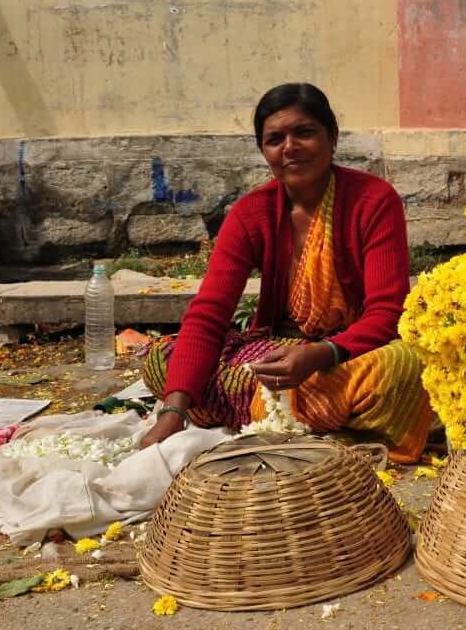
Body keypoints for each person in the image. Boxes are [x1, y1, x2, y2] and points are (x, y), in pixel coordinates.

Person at [138, 83, 433, 463]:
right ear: (264, 151)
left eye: (304, 132)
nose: (290, 147)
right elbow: (209, 313)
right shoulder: (251, 213)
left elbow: (387, 312)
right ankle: (313, 425)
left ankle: (277, 418)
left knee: (404, 367)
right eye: (275, 139)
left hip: (349, 353)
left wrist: (321, 354)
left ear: (332, 138)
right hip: (274, 358)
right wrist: (173, 414)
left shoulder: (373, 200)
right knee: (162, 360)